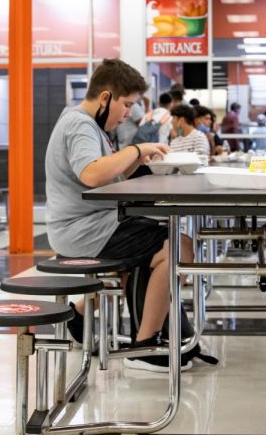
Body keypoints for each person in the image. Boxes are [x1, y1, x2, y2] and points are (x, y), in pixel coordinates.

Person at [44, 59, 213, 372]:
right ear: (106, 97)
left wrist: (138, 159)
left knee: (169, 244)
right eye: (126, 105)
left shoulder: (88, 124)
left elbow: (109, 176)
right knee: (178, 248)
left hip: (98, 224)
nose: (127, 115)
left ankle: (83, 314)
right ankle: (144, 345)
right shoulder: (80, 124)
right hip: (85, 230)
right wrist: (137, 150)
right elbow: (92, 174)